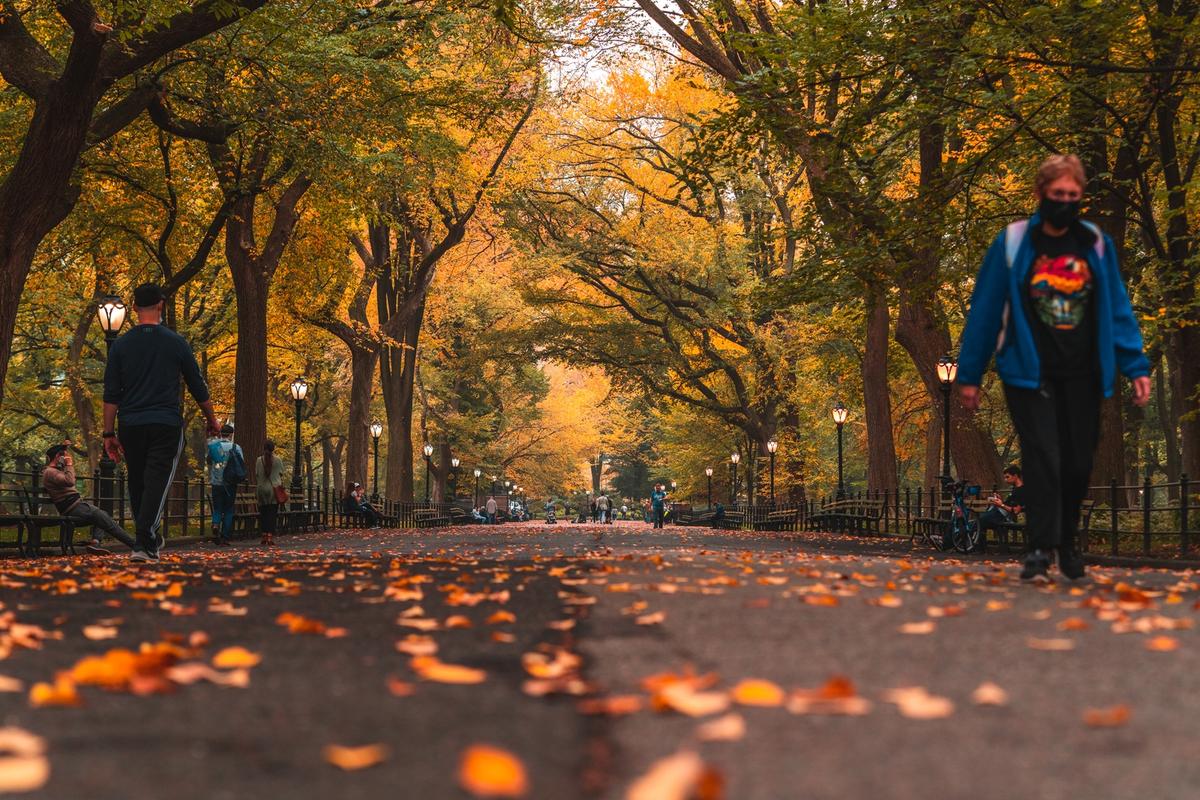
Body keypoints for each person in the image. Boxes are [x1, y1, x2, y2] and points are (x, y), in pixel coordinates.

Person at [957, 154, 1151, 583]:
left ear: (1080, 196)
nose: (1065, 201)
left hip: (1084, 371)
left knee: (1078, 462)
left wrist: (1135, 365)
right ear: (1040, 194)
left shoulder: (1095, 244)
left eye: (1072, 195)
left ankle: (1065, 540)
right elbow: (985, 312)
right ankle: (1040, 548)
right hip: (1027, 370)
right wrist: (968, 374)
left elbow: (1117, 308)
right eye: (1057, 194)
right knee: (1042, 457)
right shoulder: (1012, 243)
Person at [102, 283, 220, 563]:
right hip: (165, 423)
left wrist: (108, 432)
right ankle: (144, 542)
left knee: (138, 481)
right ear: (161, 304)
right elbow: (197, 385)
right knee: (157, 481)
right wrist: (211, 419)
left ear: (133, 309)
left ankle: (147, 540)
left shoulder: (121, 345)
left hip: (130, 423)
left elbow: (111, 394)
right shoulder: (176, 342)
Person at [41, 441, 136, 554]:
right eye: (64, 455)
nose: (66, 458)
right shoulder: (50, 472)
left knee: (103, 516)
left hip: (77, 507)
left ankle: (95, 543)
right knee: (106, 520)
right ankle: (136, 545)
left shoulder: (55, 471)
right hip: (73, 509)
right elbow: (70, 481)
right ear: (58, 456)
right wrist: (69, 464)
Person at [206, 423, 242, 546]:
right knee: (228, 509)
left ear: (221, 433)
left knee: (217, 507)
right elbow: (241, 463)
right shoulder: (236, 447)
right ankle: (225, 537)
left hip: (216, 482)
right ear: (231, 434)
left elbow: (209, 460)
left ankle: (215, 524)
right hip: (230, 483)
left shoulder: (214, 446)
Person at [977, 465, 1026, 546]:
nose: (1006, 480)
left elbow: (1016, 510)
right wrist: (1000, 500)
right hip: (997, 512)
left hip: (1001, 516)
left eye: (1007, 477)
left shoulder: (1021, 490)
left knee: (979, 521)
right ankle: (977, 546)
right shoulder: (1015, 488)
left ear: (1015, 476)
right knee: (976, 521)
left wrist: (1001, 504)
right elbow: (1009, 504)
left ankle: (978, 547)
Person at [255, 439, 286, 546]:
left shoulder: (259, 460)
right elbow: (281, 473)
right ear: (273, 449)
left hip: (262, 489)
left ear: (264, 448)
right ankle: (269, 536)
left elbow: (257, 474)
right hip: (274, 489)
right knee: (272, 513)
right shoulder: (278, 460)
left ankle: (263, 535)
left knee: (263, 513)